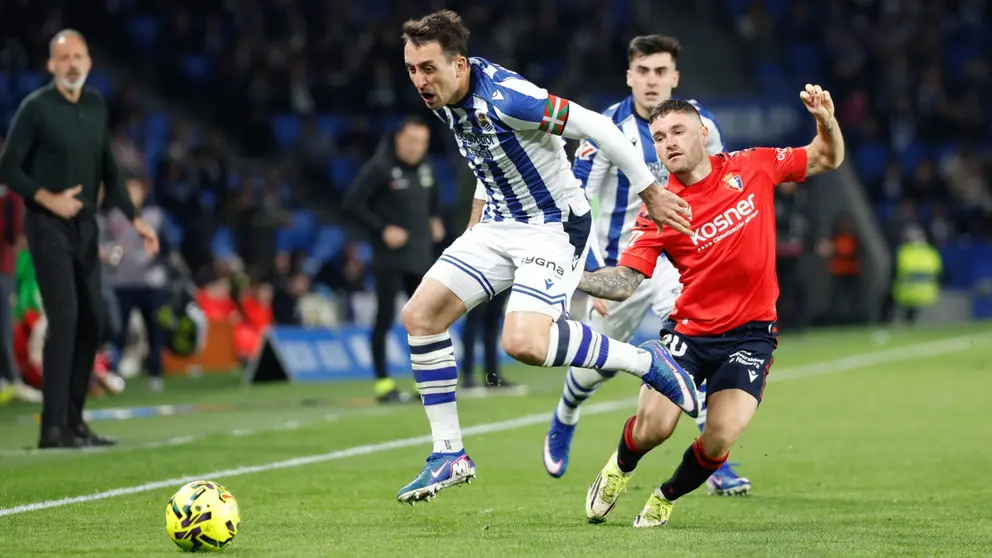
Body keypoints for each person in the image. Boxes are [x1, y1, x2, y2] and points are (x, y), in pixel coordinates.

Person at [395, 10, 700, 504]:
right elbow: (486, 153)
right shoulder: (445, 96)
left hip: (552, 226)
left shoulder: (511, 98)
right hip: (498, 223)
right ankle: (448, 452)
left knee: (524, 343)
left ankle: (645, 361)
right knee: (420, 315)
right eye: (411, 69)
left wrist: (650, 194)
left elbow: (599, 126)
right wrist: (476, 224)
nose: (419, 80)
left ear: (459, 62)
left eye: (427, 68)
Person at [578, 87, 844, 527]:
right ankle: (619, 468)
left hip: (752, 335)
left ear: (703, 133)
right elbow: (626, 281)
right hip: (690, 334)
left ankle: (665, 496)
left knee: (719, 439)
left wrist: (826, 121)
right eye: (659, 137)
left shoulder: (752, 166)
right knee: (655, 428)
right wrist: (575, 278)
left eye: (678, 131)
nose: (669, 143)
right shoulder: (660, 209)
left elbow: (825, 158)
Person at [541, 34, 749, 495]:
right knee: (595, 368)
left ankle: (712, 454)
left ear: (675, 77)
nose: (652, 80)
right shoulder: (605, 129)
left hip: (678, 263)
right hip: (622, 265)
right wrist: (592, 277)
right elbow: (578, 203)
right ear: (629, 75)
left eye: (661, 72)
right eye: (643, 71)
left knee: (694, 342)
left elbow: (722, 185)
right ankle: (566, 415)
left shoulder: (702, 126)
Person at [0, 30, 159, 449]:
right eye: (63, 57)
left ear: (88, 62)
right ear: (51, 65)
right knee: (66, 318)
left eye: (78, 56)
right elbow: (8, 168)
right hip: (46, 225)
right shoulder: (36, 108)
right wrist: (48, 198)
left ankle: (75, 423)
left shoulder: (94, 105)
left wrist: (136, 219)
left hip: (86, 225)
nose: (72, 64)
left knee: (93, 322)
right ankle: (52, 429)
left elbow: (109, 169)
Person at [343, 117, 441, 404]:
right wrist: (381, 228)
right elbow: (352, 204)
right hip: (390, 259)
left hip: (421, 256)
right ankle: (384, 383)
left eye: (422, 142)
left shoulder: (427, 167)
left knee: (425, 321)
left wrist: (435, 220)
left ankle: (423, 382)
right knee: (385, 318)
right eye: (411, 141)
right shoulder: (380, 167)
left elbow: (432, 201)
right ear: (398, 138)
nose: (416, 148)